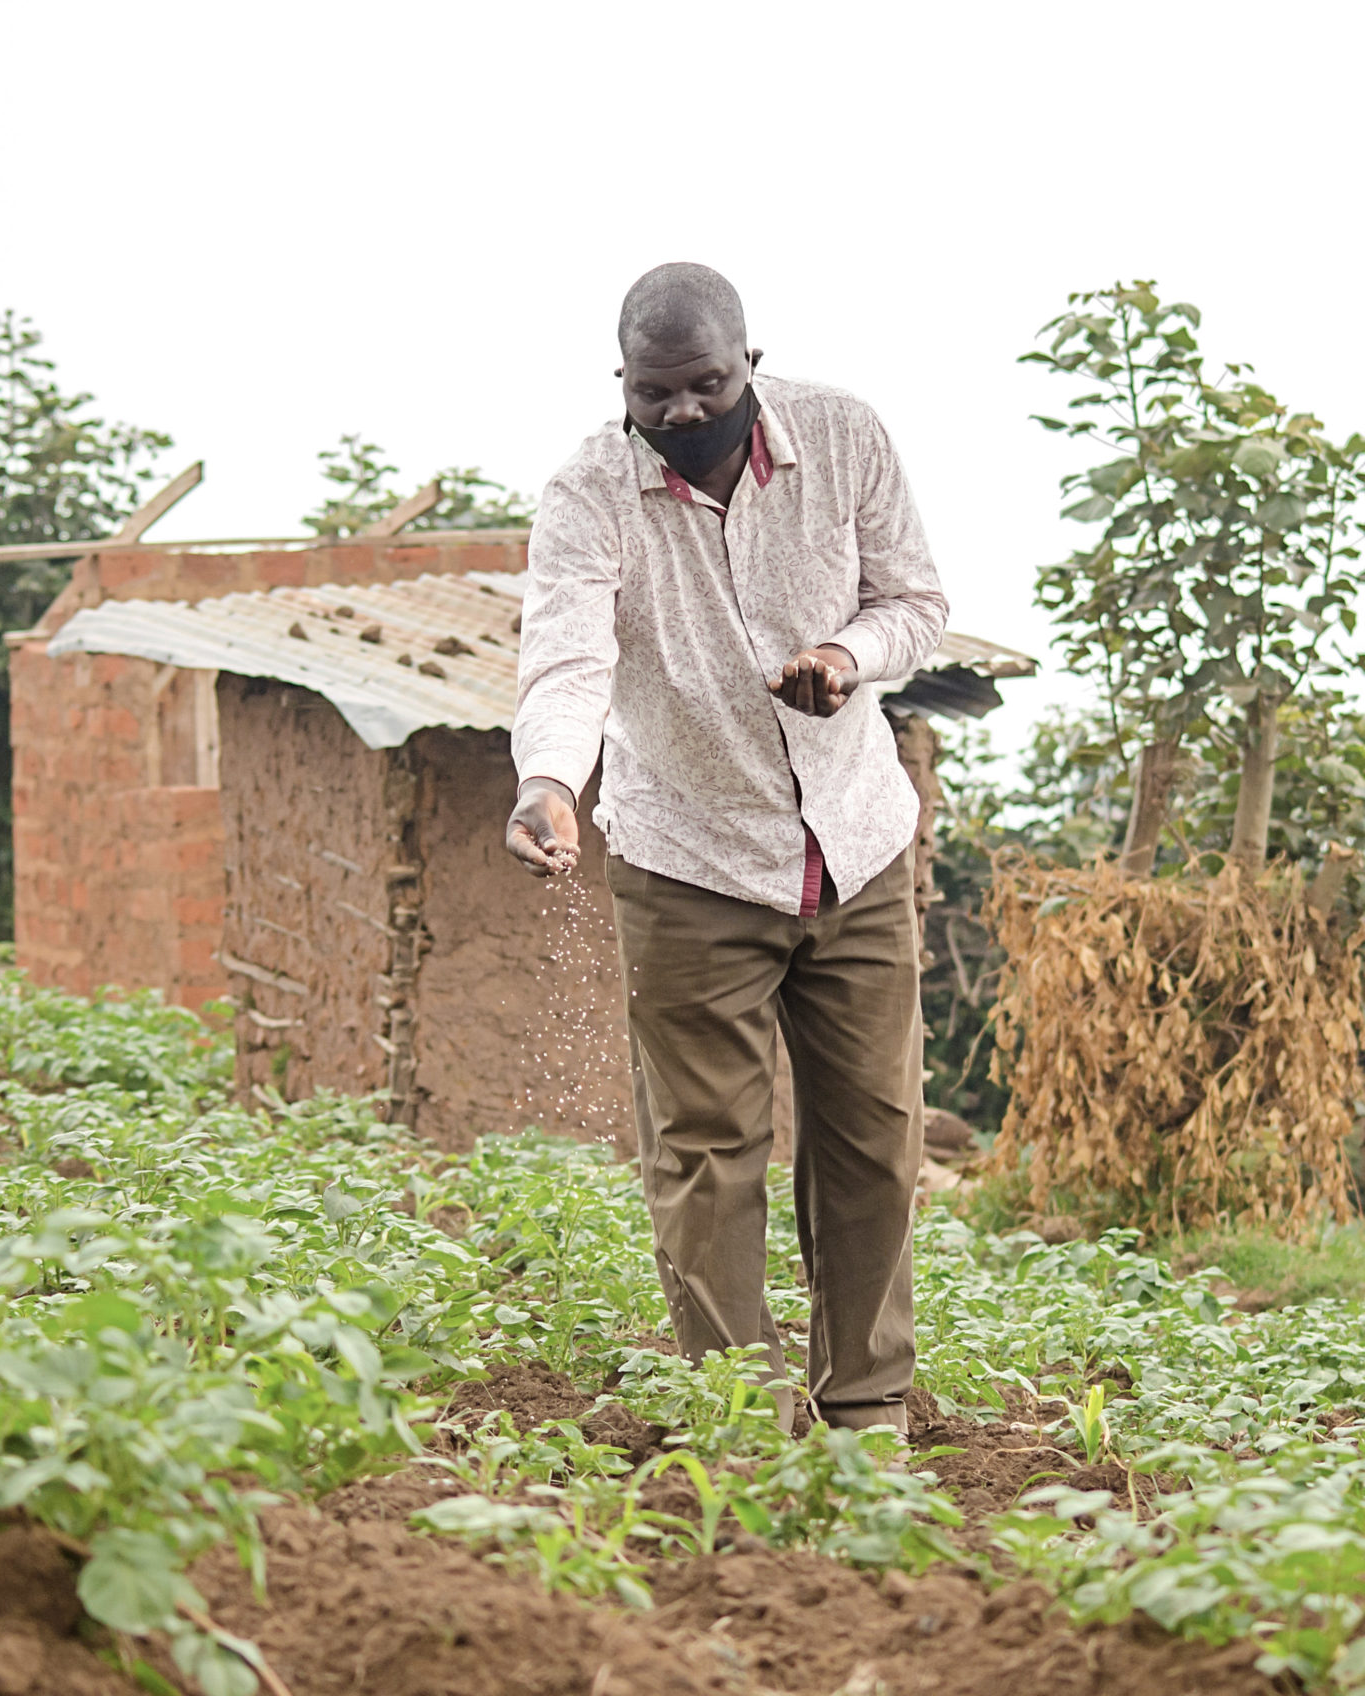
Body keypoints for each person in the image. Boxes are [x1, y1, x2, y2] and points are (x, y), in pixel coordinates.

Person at [506, 262, 949, 1433]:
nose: (685, 413)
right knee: (707, 1152)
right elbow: (564, 653)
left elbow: (914, 600)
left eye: (707, 384)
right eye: (657, 393)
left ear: (749, 361)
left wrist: (850, 658)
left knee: (873, 1135)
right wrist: (549, 780)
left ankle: (864, 1409)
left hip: (852, 843)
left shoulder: (845, 438)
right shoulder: (587, 493)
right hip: (687, 858)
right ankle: (743, 1422)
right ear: (623, 384)